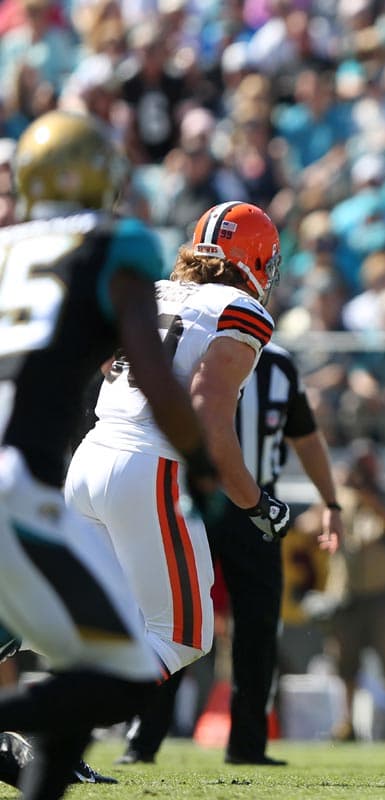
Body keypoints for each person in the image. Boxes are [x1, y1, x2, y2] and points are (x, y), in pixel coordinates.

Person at [0, 109, 215, 800]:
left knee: (85, 654)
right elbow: (154, 375)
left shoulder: (8, 246)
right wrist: (202, 463)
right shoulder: (114, 241)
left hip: (28, 475)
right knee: (122, 670)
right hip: (17, 480)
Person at [65, 201, 291, 687]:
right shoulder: (237, 310)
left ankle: (19, 644)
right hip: (149, 468)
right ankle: (54, 725)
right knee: (182, 635)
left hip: (92, 453)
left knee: (90, 624)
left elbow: (108, 365)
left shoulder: (157, 291)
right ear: (254, 260)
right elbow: (210, 419)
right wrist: (256, 504)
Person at [115, 341, 342, 766]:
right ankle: (142, 738)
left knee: (257, 630)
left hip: (258, 508)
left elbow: (306, 438)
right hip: (192, 499)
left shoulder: (279, 363)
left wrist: (331, 501)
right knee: (174, 618)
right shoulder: (198, 345)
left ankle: (248, 744)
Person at [320, 439, 385, 742]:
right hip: (346, 594)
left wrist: (366, 495)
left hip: (383, 594)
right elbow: (307, 527)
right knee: (345, 662)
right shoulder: (338, 500)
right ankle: (346, 723)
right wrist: (332, 492)